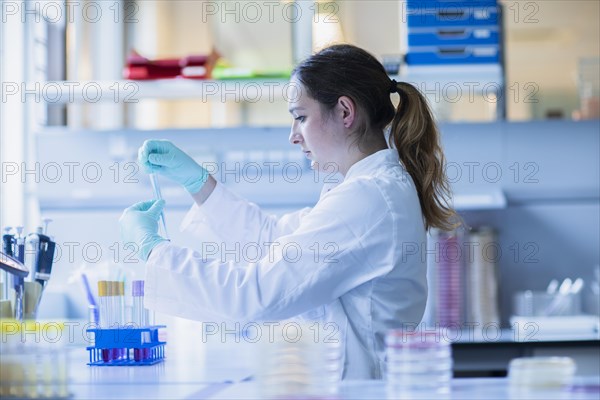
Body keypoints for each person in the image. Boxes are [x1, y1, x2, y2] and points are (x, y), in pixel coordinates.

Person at [119, 43, 457, 379]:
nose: (293, 136)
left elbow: (254, 295)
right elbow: (274, 238)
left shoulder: (368, 198)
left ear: (344, 112)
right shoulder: (364, 190)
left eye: (301, 117)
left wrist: (153, 250)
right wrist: (197, 183)